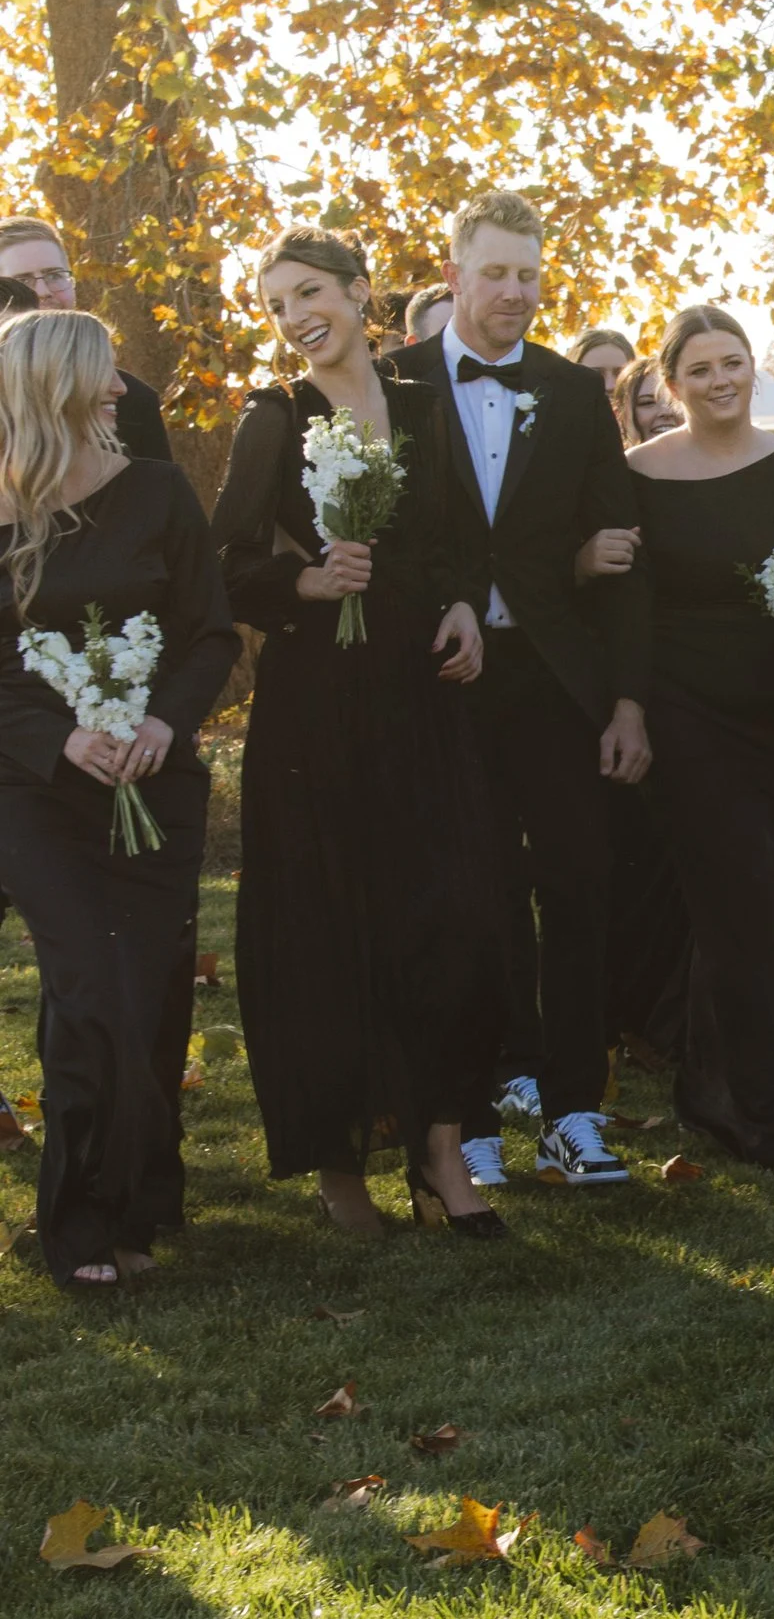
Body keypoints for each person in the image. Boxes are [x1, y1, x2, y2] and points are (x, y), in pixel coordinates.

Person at [210, 231, 508, 1237]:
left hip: (424, 695)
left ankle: (440, 1147)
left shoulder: (426, 405)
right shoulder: (273, 417)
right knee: (325, 928)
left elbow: (464, 537)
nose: (295, 316)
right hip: (315, 711)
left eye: (308, 292)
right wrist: (304, 581)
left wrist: (466, 603)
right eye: (276, 304)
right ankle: (339, 1166)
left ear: (359, 293)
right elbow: (226, 563)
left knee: (452, 916)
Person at [384, 192, 652, 1189]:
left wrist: (626, 702)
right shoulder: (392, 383)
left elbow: (622, 558)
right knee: (470, 898)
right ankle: (476, 1108)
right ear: (452, 275)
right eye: (494, 272)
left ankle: (573, 1108)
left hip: (551, 682)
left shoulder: (573, 395)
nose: (514, 292)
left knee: (580, 880)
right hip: (439, 684)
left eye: (529, 275)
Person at [0, 310, 238, 1290]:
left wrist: (160, 726)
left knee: (140, 1003)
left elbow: (211, 635)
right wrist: (62, 740)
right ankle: (76, 1226)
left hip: (155, 784)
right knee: (89, 993)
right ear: (55, 384)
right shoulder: (3, 510)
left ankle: (134, 1210)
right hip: (35, 793)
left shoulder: (158, 492)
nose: (117, 391)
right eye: (102, 374)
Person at [626, 303, 774, 1164]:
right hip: (683, 709)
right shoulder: (635, 475)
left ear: (752, 368)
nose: (721, 381)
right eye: (700, 370)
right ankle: (765, 1113)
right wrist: (630, 705)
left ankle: (707, 1088)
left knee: (743, 906)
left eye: (733, 363)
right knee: (736, 902)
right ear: (671, 383)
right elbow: (622, 600)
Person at [0, 218, 172, 461]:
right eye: (22, 281)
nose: (44, 291)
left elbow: (156, 494)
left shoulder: (130, 400)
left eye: (54, 275)